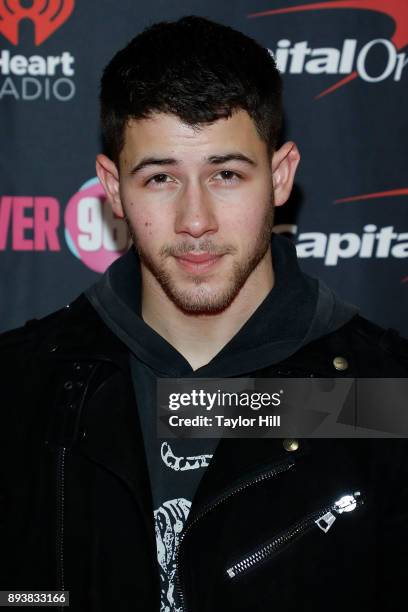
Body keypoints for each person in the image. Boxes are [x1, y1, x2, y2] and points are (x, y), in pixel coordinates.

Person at [1, 15, 407, 612]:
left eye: (226, 174)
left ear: (281, 175)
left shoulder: (384, 396)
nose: (196, 221)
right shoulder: (20, 387)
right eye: (161, 177)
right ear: (112, 188)